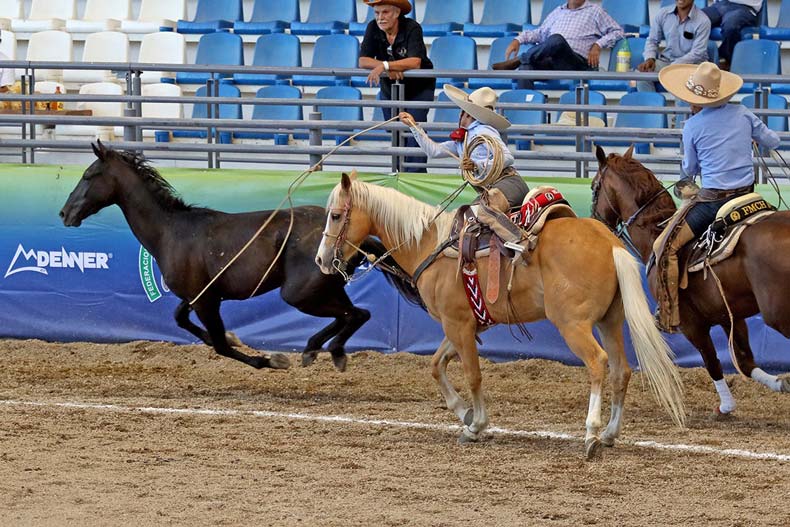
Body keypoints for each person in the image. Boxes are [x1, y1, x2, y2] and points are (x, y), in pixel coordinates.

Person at [655, 61, 780, 333]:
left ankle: (669, 314)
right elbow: (774, 141)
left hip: (713, 202)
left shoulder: (692, 126)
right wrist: (749, 137)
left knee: (665, 247)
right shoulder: (743, 113)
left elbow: (690, 170)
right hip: (749, 197)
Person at [398, 85, 528, 211]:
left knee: (476, 213)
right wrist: (413, 126)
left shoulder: (484, 131)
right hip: (499, 187)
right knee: (472, 215)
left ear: (467, 114)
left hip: (508, 184)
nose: (460, 114)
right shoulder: (464, 139)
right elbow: (434, 151)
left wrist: (477, 165)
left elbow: (508, 158)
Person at [359, 0, 436, 173]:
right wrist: (390, 68)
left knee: (414, 131)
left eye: (385, 12)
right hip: (390, 88)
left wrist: (385, 66)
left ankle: (415, 176)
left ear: (397, 13)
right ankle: (399, 172)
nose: (380, 17)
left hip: (419, 89)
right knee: (394, 130)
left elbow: (415, 62)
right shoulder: (372, 27)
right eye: (377, 13)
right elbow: (363, 60)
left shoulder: (412, 27)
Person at [492, 0, 623, 90]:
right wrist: (518, 40)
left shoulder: (595, 11)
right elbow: (540, 33)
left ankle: (518, 60)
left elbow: (618, 31)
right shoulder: (558, 11)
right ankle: (526, 114)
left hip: (577, 63)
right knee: (526, 68)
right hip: (553, 62)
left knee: (557, 40)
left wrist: (598, 45)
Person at [636, 0, 711, 93]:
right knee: (642, 75)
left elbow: (697, 53)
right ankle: (652, 102)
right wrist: (650, 58)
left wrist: (672, 68)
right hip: (667, 62)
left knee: (681, 83)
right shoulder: (663, 14)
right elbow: (652, 40)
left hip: (691, 66)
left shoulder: (703, 20)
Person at [703, 0, 762, 71]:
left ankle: (726, 60)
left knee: (730, 26)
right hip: (722, 4)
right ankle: (698, 58)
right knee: (696, 20)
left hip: (746, 7)